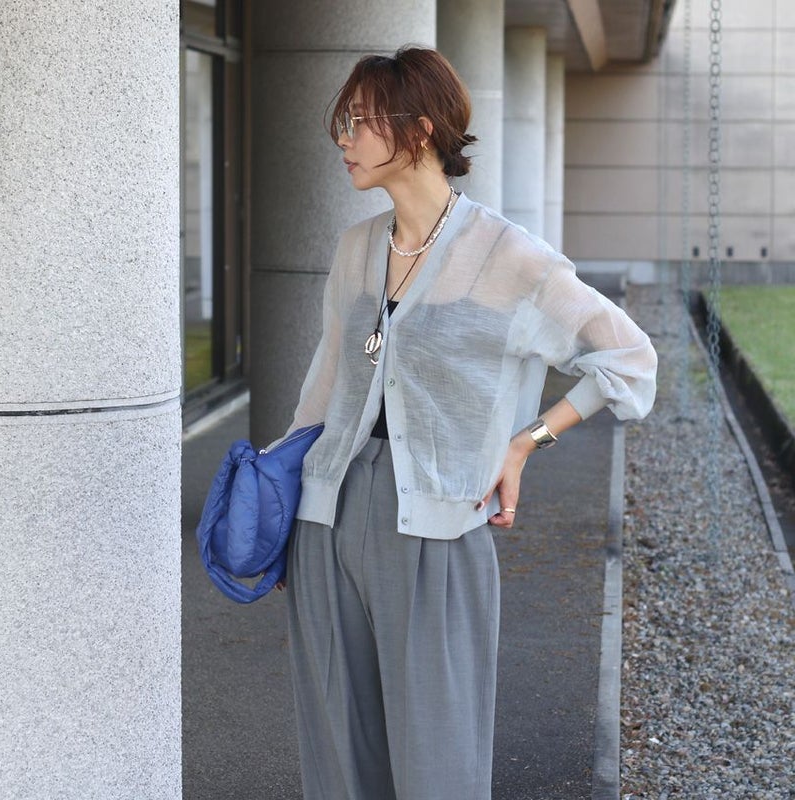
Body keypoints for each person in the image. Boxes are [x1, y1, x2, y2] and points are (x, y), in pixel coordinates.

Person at [279, 47, 657, 800]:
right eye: (345, 123)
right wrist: (282, 492)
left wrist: (526, 443)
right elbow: (322, 389)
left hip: (437, 530)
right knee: (339, 761)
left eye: (361, 121)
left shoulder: (508, 257)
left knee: (437, 766)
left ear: (419, 130)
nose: (345, 139)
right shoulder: (356, 248)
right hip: (325, 518)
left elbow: (630, 360)